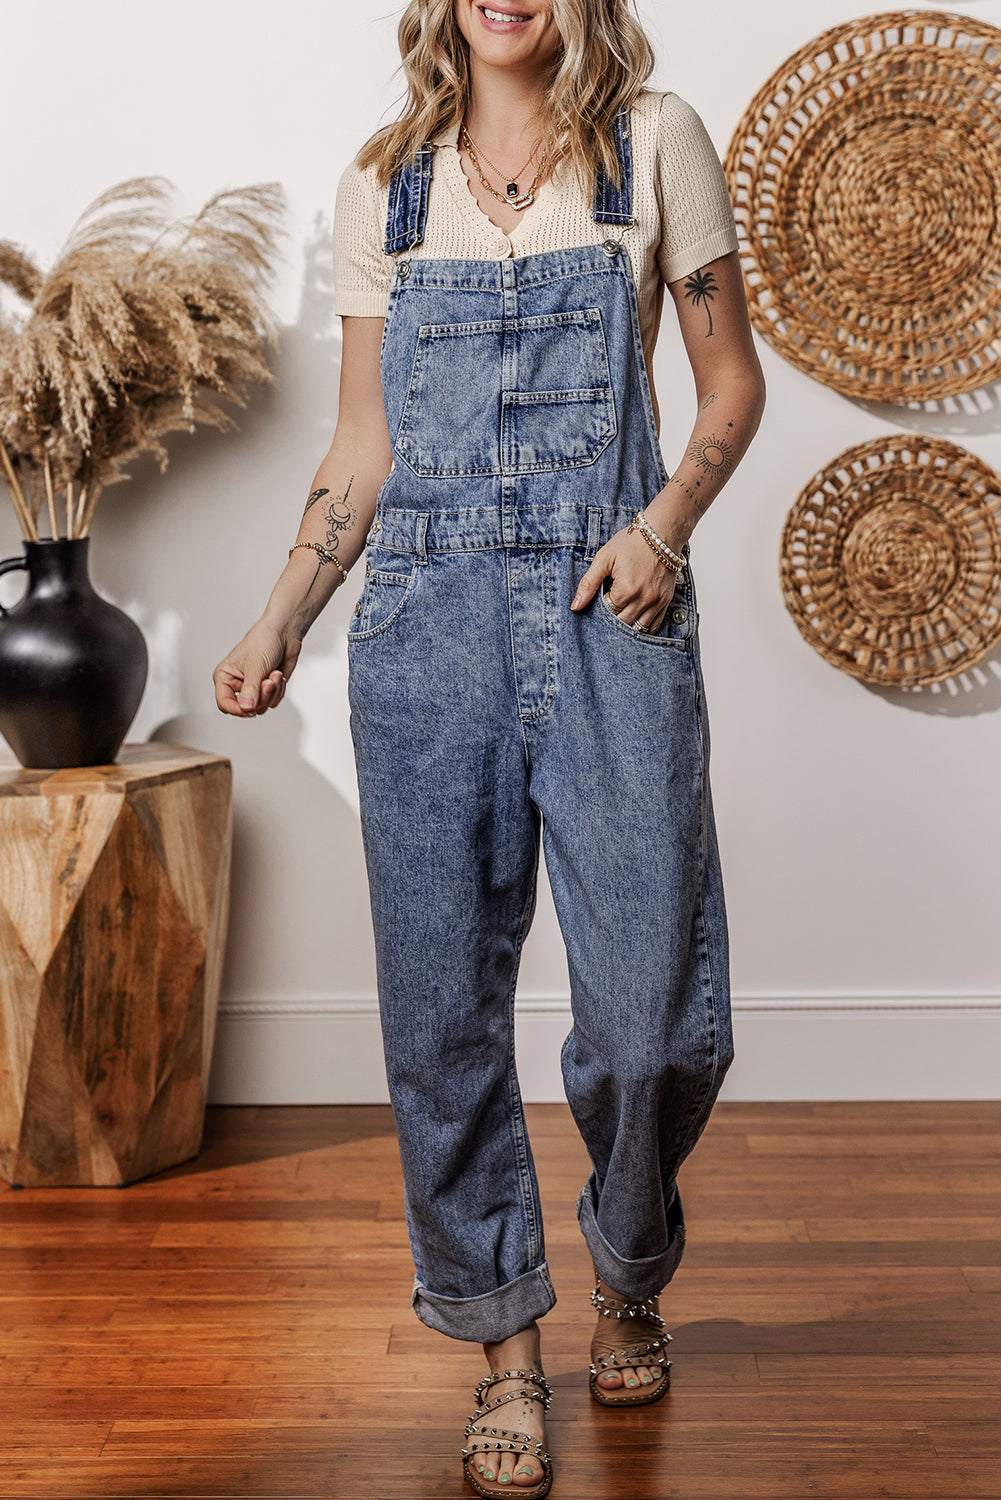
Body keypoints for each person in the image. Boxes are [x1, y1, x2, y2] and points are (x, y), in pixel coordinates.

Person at [214, 2, 765, 1494]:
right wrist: (281, 615)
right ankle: (503, 1347)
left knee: (654, 1019)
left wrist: (662, 531)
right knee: (441, 1017)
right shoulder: (384, 182)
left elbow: (730, 385)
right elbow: (362, 445)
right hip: (424, 625)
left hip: (608, 613)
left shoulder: (652, 143)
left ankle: (630, 1265)